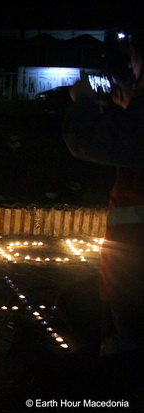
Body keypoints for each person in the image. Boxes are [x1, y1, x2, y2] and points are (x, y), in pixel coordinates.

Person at [63, 28, 144, 356]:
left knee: (125, 334)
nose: (134, 69)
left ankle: (116, 397)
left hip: (135, 256)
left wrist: (82, 101)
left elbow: (88, 141)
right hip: (131, 250)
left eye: (136, 61)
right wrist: (131, 107)